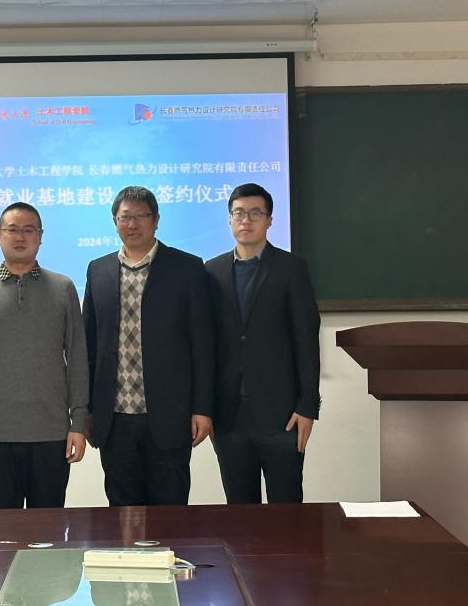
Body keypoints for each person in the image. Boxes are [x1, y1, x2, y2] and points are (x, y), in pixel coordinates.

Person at [83, 186, 215, 507]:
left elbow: (203, 344)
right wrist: (86, 410)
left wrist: (202, 408)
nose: (132, 224)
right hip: (114, 418)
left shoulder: (187, 268)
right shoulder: (98, 270)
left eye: (141, 216)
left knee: (170, 512)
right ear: (114, 222)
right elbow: (89, 345)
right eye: (125, 217)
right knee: (122, 512)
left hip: (170, 415)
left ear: (156, 220)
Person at [0, 202, 88, 509]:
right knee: (0, 530)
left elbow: (78, 359)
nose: (20, 237)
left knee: (49, 529)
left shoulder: (63, 288)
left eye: (29, 230)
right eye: (12, 230)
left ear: (40, 236)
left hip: (51, 433)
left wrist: (78, 422)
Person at [205, 183, 320, 504]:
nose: (246, 220)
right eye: (239, 213)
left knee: (286, 510)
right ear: (229, 219)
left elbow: (306, 340)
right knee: (239, 512)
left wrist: (307, 406)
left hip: (282, 415)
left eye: (255, 213)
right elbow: (206, 346)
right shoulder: (211, 271)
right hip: (228, 416)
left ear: (269, 220)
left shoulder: (291, 268)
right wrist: (205, 408)